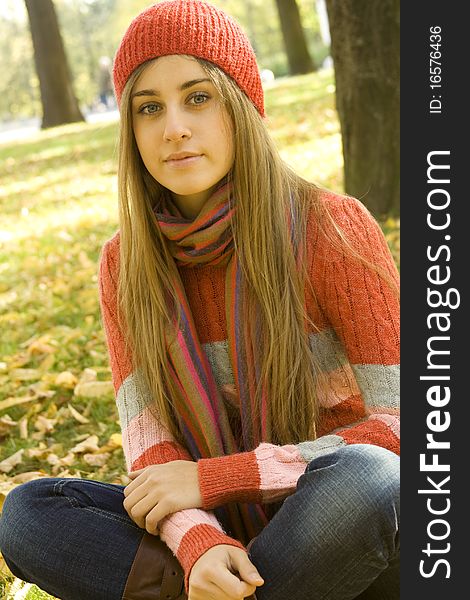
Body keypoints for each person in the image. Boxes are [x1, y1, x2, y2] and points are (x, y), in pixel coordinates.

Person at [0, 1, 400, 599]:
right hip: (220, 537)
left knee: (371, 480)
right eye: (149, 108)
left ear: (241, 105)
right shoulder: (125, 265)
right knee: (30, 514)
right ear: (130, 131)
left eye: (199, 97)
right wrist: (199, 543)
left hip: (336, 523)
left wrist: (214, 479)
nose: (175, 128)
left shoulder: (332, 228)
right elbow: (150, 449)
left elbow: (407, 426)